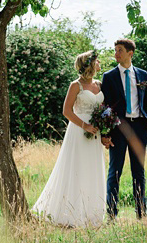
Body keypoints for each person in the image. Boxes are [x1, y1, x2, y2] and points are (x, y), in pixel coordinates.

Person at [31, 50, 107, 227]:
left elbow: (104, 107)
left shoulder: (99, 84)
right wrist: (85, 126)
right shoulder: (76, 85)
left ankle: (93, 213)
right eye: (96, 61)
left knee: (93, 168)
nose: (99, 64)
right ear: (89, 64)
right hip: (79, 131)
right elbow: (66, 111)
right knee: (77, 168)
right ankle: (71, 213)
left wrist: (104, 128)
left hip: (95, 133)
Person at [100, 38, 147, 220]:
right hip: (118, 129)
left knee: (139, 172)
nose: (116, 53)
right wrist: (105, 133)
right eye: (115, 50)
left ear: (130, 53)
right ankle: (111, 215)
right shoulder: (109, 77)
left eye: (120, 50)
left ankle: (141, 214)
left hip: (139, 127)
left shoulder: (143, 75)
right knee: (115, 172)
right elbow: (105, 107)